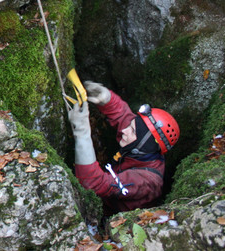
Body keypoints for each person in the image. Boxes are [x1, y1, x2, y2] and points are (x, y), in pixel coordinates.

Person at [67, 81, 180, 214]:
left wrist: (82, 133)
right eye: (131, 126)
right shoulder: (141, 146)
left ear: (144, 144)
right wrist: (106, 98)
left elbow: (94, 184)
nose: (125, 131)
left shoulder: (146, 182)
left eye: (132, 131)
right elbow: (123, 115)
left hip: (113, 216)